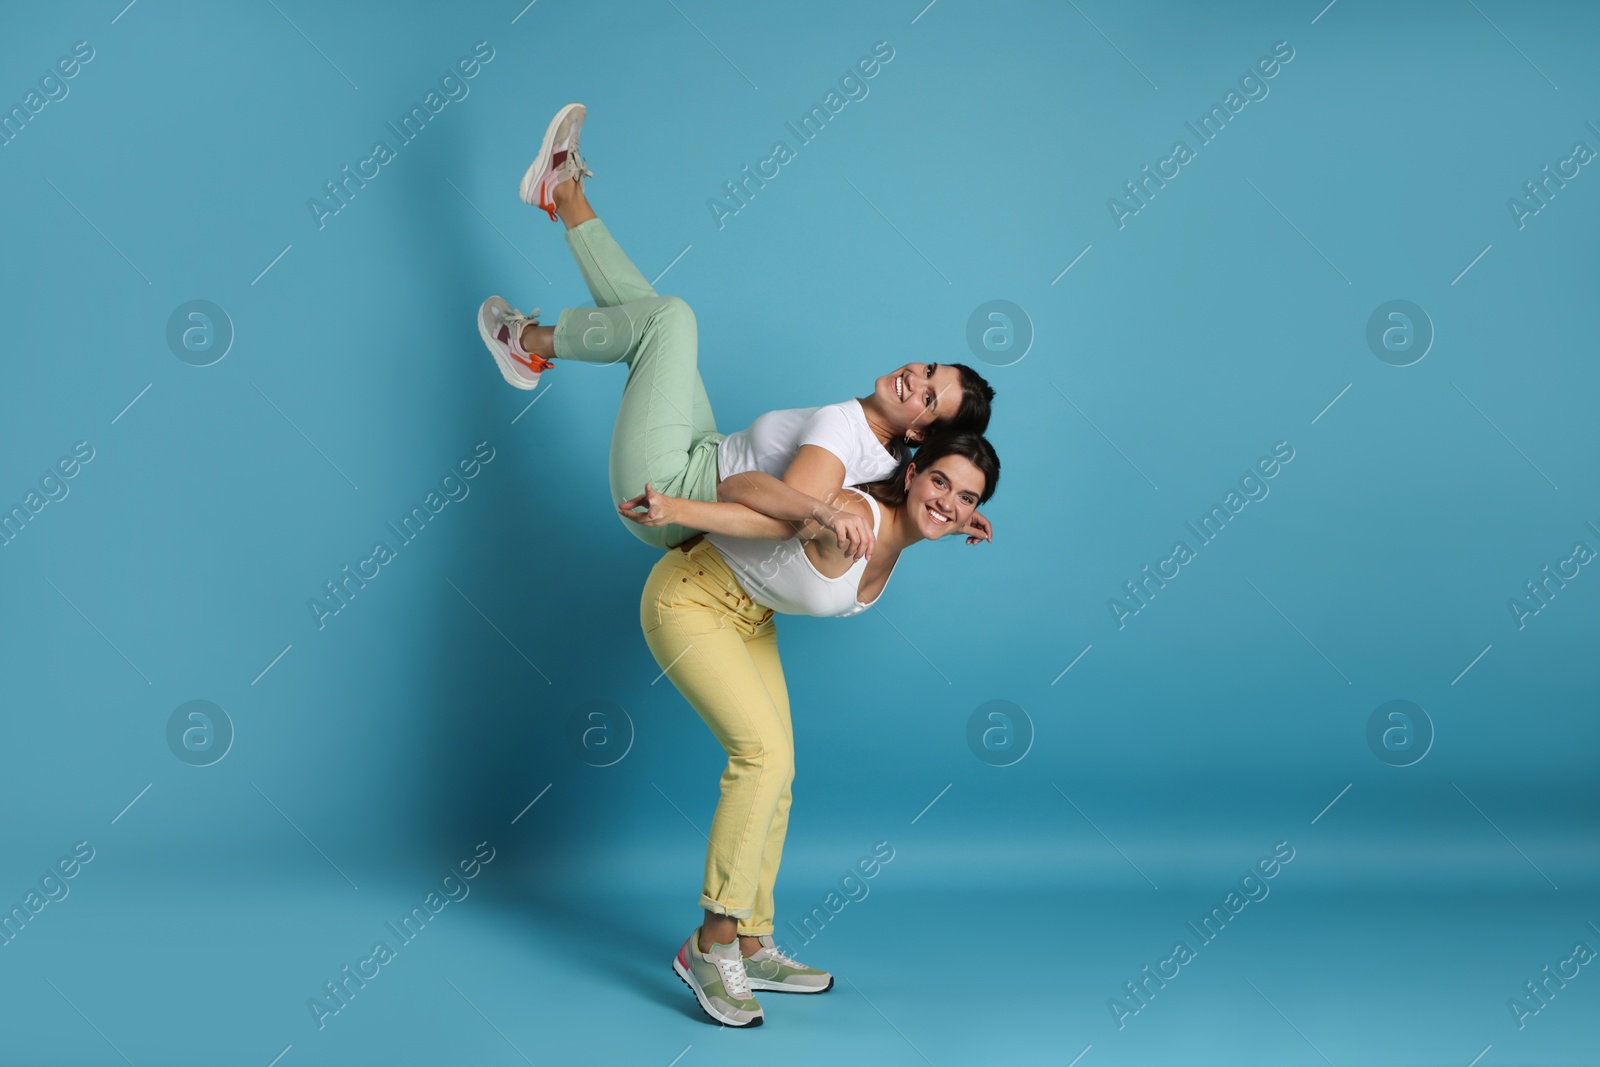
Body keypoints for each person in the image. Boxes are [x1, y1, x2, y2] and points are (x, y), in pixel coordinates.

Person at [474, 103, 997, 559]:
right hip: (703, 449)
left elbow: (782, 523)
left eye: (928, 398)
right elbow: (891, 502)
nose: (914, 379)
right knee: (649, 316)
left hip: (671, 489)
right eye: (930, 370)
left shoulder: (844, 429)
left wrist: (681, 508)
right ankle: (563, 193)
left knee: (669, 319)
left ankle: (525, 345)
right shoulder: (884, 460)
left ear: (919, 433)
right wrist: (951, 520)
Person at [619, 430, 1001, 1027]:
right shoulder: (850, 514)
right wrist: (679, 510)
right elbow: (742, 488)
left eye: (969, 499)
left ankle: (751, 942)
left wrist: (951, 521)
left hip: (749, 618)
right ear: (911, 475)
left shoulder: (903, 539)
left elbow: (936, 516)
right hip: (692, 598)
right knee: (760, 758)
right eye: (940, 482)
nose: (950, 502)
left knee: (781, 773)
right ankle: (710, 945)